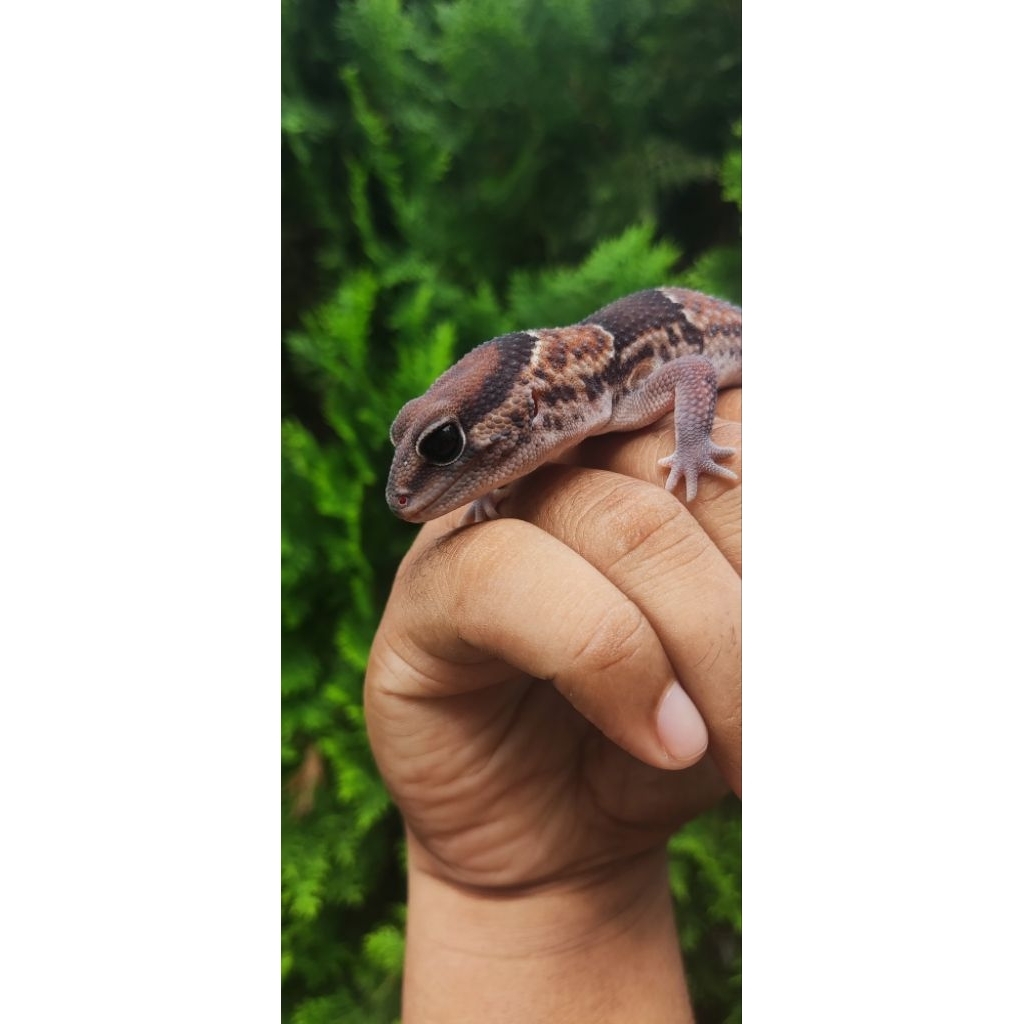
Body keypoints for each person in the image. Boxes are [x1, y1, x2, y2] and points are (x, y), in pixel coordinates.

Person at [365, 389, 742, 1022]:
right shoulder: (574, 420)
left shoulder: (622, 390)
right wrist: (521, 895)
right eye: (410, 441)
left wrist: (694, 445)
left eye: (442, 447)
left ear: (534, 405)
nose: (402, 491)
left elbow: (696, 369)